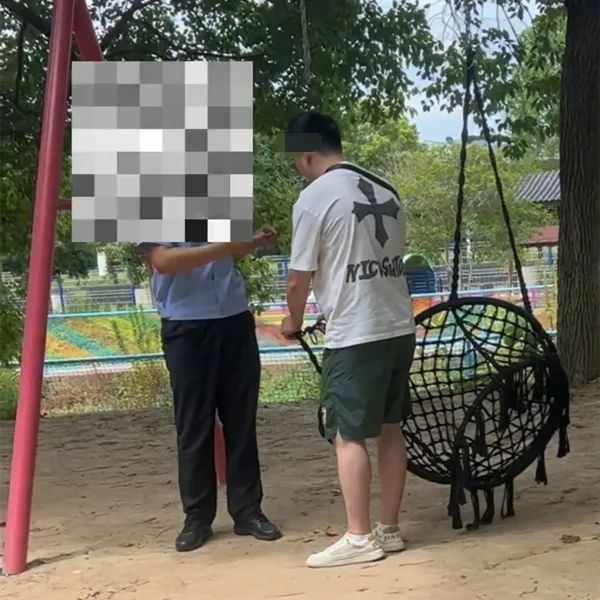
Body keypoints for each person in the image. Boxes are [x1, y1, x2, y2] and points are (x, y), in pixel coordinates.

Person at [281, 112, 416, 568]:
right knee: (391, 427)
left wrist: (292, 321)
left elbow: (298, 278)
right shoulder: (386, 189)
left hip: (355, 332)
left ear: (307, 155)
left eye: (296, 161)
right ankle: (389, 529)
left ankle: (359, 537)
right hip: (397, 324)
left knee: (348, 434)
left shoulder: (314, 198)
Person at [137, 231, 282, 552]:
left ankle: (248, 511)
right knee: (194, 425)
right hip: (185, 323)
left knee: (241, 421)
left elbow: (232, 252)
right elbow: (163, 261)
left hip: (234, 316)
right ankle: (197, 518)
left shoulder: (222, 204)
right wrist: (226, 246)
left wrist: (254, 241)